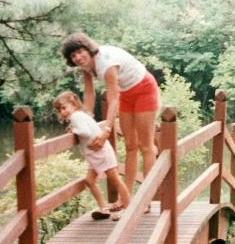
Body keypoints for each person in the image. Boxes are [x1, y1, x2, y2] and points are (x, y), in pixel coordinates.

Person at [60, 32, 159, 200]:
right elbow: (89, 94)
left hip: (144, 88)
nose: (78, 57)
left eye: (80, 51)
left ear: (88, 49)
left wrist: (106, 130)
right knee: (130, 146)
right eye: (73, 55)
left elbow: (113, 100)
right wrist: (82, 122)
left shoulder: (106, 63)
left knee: (146, 146)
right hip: (126, 93)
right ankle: (126, 198)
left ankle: (146, 199)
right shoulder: (86, 66)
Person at [53, 90, 131, 220]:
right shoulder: (79, 115)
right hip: (95, 154)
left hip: (101, 153)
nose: (62, 112)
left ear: (74, 104)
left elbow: (86, 132)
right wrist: (74, 128)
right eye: (59, 110)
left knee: (115, 180)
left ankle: (128, 208)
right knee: (89, 181)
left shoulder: (75, 117)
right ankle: (103, 208)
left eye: (64, 108)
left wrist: (74, 130)